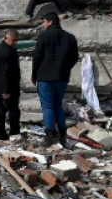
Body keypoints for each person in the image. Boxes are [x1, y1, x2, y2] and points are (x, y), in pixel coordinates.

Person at [31, 11, 79, 147]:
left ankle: (50, 135)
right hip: (62, 77)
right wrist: (65, 68)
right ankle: (62, 134)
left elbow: (37, 57)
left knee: (47, 106)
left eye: (44, 22)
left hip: (45, 77)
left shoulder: (44, 36)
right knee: (58, 104)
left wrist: (34, 74)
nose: (43, 25)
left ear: (50, 22)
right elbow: (74, 57)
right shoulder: (70, 37)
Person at [0, 29, 21, 140]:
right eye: (13, 40)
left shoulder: (0, 48)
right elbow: (7, 73)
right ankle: (13, 132)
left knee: (2, 110)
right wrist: (7, 90)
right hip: (8, 88)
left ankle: (1, 133)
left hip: (2, 87)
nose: (15, 43)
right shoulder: (8, 52)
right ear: (6, 38)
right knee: (12, 111)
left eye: (16, 40)